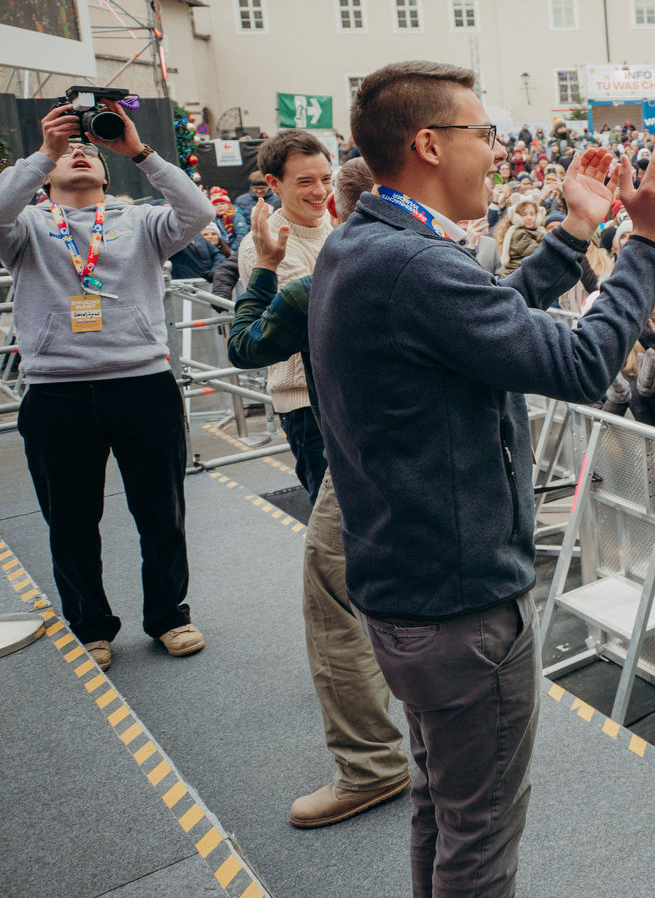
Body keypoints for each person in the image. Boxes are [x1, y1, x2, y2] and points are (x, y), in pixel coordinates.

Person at [309, 61, 655, 897]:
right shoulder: (414, 266)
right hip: (459, 610)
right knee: (478, 838)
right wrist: (652, 244)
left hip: (405, 592)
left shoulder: (364, 246)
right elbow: (585, 361)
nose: (496, 150)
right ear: (428, 144)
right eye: (483, 133)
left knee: (442, 810)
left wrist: (571, 238)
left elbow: (477, 326)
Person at [0, 102, 215, 671]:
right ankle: (90, 623)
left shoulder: (139, 221)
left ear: (109, 171)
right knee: (70, 520)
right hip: (57, 393)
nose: (80, 150)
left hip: (143, 384)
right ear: (49, 172)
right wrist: (44, 153)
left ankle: (169, 615)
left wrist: (140, 151)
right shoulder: (27, 227)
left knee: (161, 512)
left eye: (91, 148)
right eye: (71, 150)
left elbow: (197, 209)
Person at [225, 161, 410, 828]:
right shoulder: (441, 264)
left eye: (323, 179)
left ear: (338, 199)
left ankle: (370, 765)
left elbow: (244, 346)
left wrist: (266, 270)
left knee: (332, 588)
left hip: (357, 454)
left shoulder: (319, 283)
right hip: (435, 461)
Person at [238, 130, 334, 503]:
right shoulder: (262, 245)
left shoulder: (338, 228)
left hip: (347, 393)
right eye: (305, 181)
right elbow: (312, 312)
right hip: (304, 403)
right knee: (332, 521)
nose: (320, 190)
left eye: (326, 178)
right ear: (274, 184)